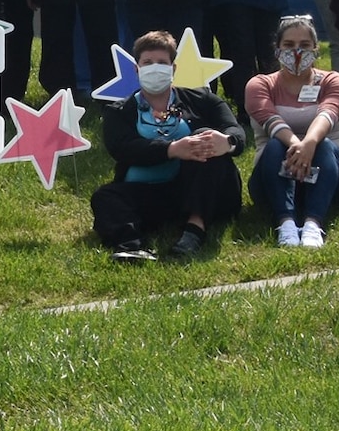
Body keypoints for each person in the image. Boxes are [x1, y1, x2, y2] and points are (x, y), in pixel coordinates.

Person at [92, 29, 246, 261]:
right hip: (151, 192)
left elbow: (236, 131)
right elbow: (123, 148)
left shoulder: (204, 101)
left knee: (204, 136)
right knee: (104, 197)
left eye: (162, 62)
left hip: (201, 186)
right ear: (137, 69)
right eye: (148, 62)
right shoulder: (119, 111)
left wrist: (227, 142)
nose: (155, 67)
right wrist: (173, 149)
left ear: (173, 69)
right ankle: (131, 244)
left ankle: (195, 228)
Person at [244, 15, 339, 247]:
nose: (297, 51)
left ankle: (313, 224)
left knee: (324, 143)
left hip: (334, 177)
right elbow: (271, 120)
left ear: (316, 50)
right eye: (288, 45)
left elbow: (328, 114)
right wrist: (297, 145)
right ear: (277, 50)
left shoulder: (334, 81)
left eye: (304, 45)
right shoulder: (259, 84)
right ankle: (285, 223)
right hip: (272, 178)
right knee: (276, 143)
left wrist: (309, 144)